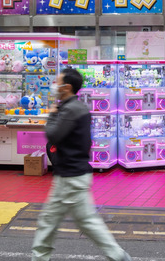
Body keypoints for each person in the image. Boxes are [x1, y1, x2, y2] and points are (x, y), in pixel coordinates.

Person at [32, 68, 131, 261]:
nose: (54, 85)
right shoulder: (77, 107)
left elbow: (53, 135)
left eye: (57, 82)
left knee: (51, 221)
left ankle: (39, 257)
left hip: (69, 177)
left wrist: (52, 115)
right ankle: (118, 256)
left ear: (66, 87)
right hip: (76, 174)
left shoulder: (70, 110)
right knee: (84, 221)